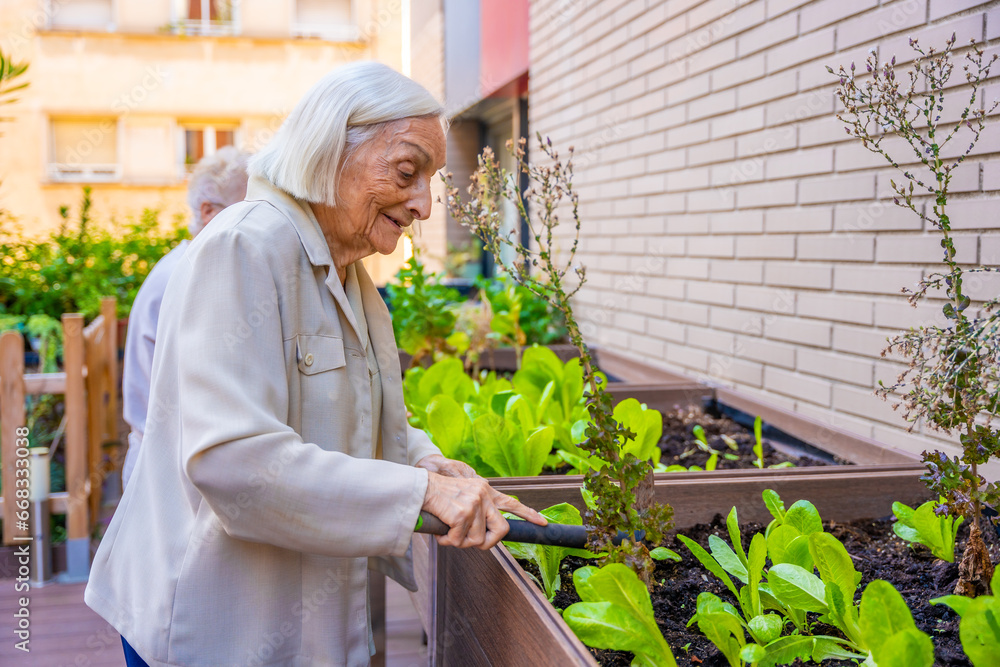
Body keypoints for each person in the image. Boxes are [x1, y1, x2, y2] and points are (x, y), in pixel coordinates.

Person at [85, 61, 545, 667]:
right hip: (210, 627)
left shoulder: (344, 269)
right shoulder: (244, 247)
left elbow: (361, 417)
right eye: (407, 172)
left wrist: (432, 464)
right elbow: (231, 461)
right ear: (331, 149)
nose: (424, 205)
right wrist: (420, 492)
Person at [121, 146, 250, 489]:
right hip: (165, 468)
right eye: (247, 211)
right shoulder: (192, 274)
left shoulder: (189, 264)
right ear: (208, 211)